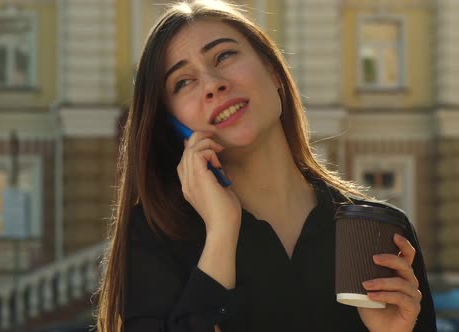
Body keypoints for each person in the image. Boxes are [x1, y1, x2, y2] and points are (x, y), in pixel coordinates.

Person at [95, 0, 437, 331]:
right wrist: (221, 234)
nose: (213, 83)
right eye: (183, 82)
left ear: (273, 70)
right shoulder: (157, 235)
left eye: (224, 55)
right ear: (173, 123)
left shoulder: (373, 231)